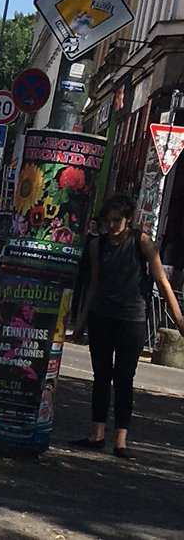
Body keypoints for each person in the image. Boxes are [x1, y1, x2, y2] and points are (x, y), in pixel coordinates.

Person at [70, 195, 184, 459]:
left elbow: (162, 282)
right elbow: (94, 285)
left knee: (124, 378)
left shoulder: (141, 242)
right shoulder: (97, 246)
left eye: (116, 220)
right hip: (102, 316)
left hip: (131, 318)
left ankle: (121, 441)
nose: (111, 225)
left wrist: (178, 320)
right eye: (107, 220)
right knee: (101, 376)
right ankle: (96, 435)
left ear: (128, 220)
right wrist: (80, 323)